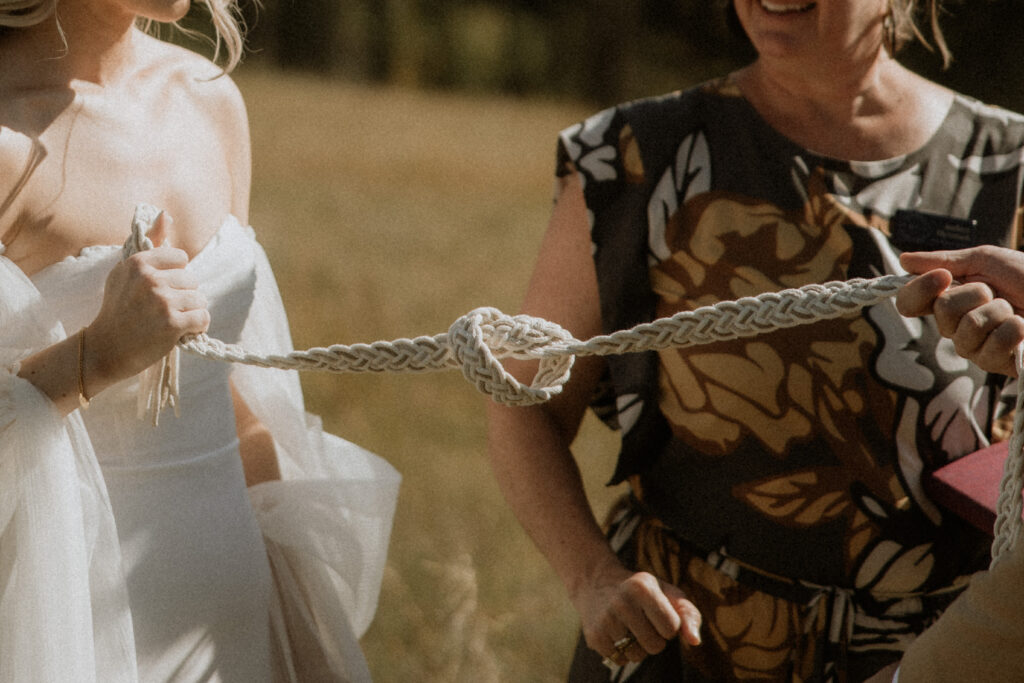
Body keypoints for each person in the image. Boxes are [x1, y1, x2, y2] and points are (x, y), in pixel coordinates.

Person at [486, 1, 1024, 681]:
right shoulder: (636, 153)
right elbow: (522, 398)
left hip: (932, 661)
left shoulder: (1011, 162)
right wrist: (591, 576)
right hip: (688, 653)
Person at [0, 1, 399, 681]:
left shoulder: (210, 100)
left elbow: (234, 389)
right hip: (74, 630)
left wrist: (297, 613)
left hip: (233, 621)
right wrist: (93, 357)